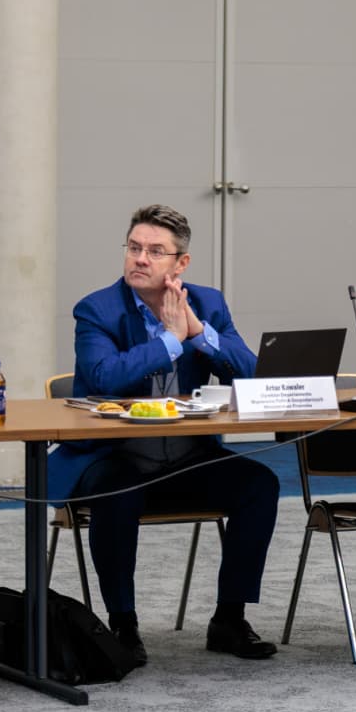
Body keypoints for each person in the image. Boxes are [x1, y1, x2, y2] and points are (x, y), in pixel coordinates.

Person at [48, 204, 280, 662]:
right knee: (119, 492)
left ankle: (229, 619)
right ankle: (123, 625)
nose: (140, 259)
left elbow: (255, 376)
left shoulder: (208, 304)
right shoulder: (97, 310)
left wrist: (198, 333)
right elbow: (104, 375)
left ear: (181, 263)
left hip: (187, 459)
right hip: (112, 459)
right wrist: (169, 342)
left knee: (260, 484)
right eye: (134, 248)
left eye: (155, 251)